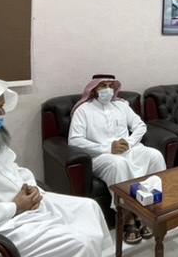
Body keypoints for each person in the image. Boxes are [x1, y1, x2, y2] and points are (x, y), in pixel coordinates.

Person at [0, 76, 111, 257]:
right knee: (80, 243)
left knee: (89, 207)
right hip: (0, 224)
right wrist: (14, 206)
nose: (2, 113)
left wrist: (32, 188)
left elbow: (14, 169)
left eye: (2, 106)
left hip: (25, 205)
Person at [68, 74, 166, 245]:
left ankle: (150, 209)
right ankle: (127, 216)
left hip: (130, 149)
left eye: (110, 86)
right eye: (103, 86)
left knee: (155, 156)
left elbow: (140, 125)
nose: (107, 90)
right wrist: (108, 148)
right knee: (118, 164)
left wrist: (129, 142)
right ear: (94, 89)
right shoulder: (83, 110)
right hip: (101, 156)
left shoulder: (121, 105)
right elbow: (74, 140)